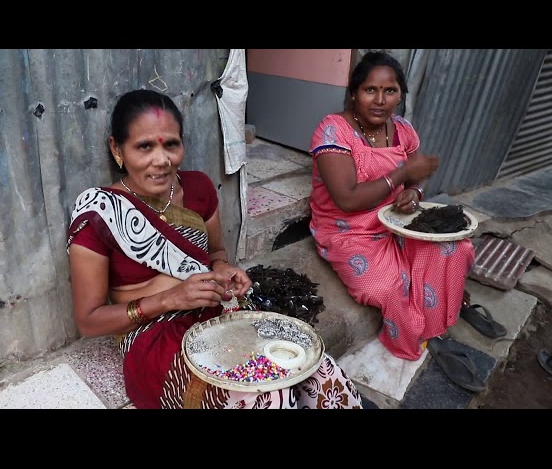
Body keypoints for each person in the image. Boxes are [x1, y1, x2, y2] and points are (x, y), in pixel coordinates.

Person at [67, 88, 363, 409]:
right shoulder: (100, 214)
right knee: (267, 394)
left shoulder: (198, 188)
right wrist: (169, 299)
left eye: (171, 144)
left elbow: (216, 253)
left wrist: (223, 269)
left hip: (217, 312)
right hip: (151, 333)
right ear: (117, 148)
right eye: (144, 146)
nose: (162, 160)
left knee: (319, 370)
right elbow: (90, 320)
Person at [308, 51, 505, 389]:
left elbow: (415, 179)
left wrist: (413, 192)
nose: (380, 100)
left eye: (390, 91)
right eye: (370, 90)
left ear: (401, 94)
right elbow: (347, 199)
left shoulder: (402, 129)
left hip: (396, 219)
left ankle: (443, 316)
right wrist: (402, 174)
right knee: (385, 286)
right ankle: (417, 336)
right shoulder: (333, 131)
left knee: (455, 249)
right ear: (354, 93)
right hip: (348, 230)